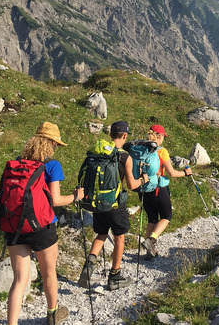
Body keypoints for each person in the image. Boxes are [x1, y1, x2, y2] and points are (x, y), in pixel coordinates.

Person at [6, 122, 83, 325]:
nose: (56, 147)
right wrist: (76, 196)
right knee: (49, 273)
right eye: (56, 144)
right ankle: (52, 315)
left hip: (15, 226)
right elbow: (56, 201)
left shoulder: (17, 162)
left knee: (20, 279)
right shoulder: (52, 165)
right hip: (42, 226)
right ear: (50, 143)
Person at [77, 120, 143, 290]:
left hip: (97, 202)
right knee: (119, 237)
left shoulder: (99, 152)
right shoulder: (124, 157)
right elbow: (131, 185)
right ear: (125, 136)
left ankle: (90, 263)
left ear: (111, 134)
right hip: (114, 204)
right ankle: (115, 276)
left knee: (101, 234)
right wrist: (143, 179)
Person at [139, 124, 193, 259]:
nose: (163, 139)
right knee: (166, 216)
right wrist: (185, 173)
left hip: (143, 189)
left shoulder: (140, 148)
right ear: (159, 136)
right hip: (157, 188)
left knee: (152, 218)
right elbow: (172, 173)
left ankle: (149, 252)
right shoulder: (161, 151)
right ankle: (151, 240)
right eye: (163, 136)